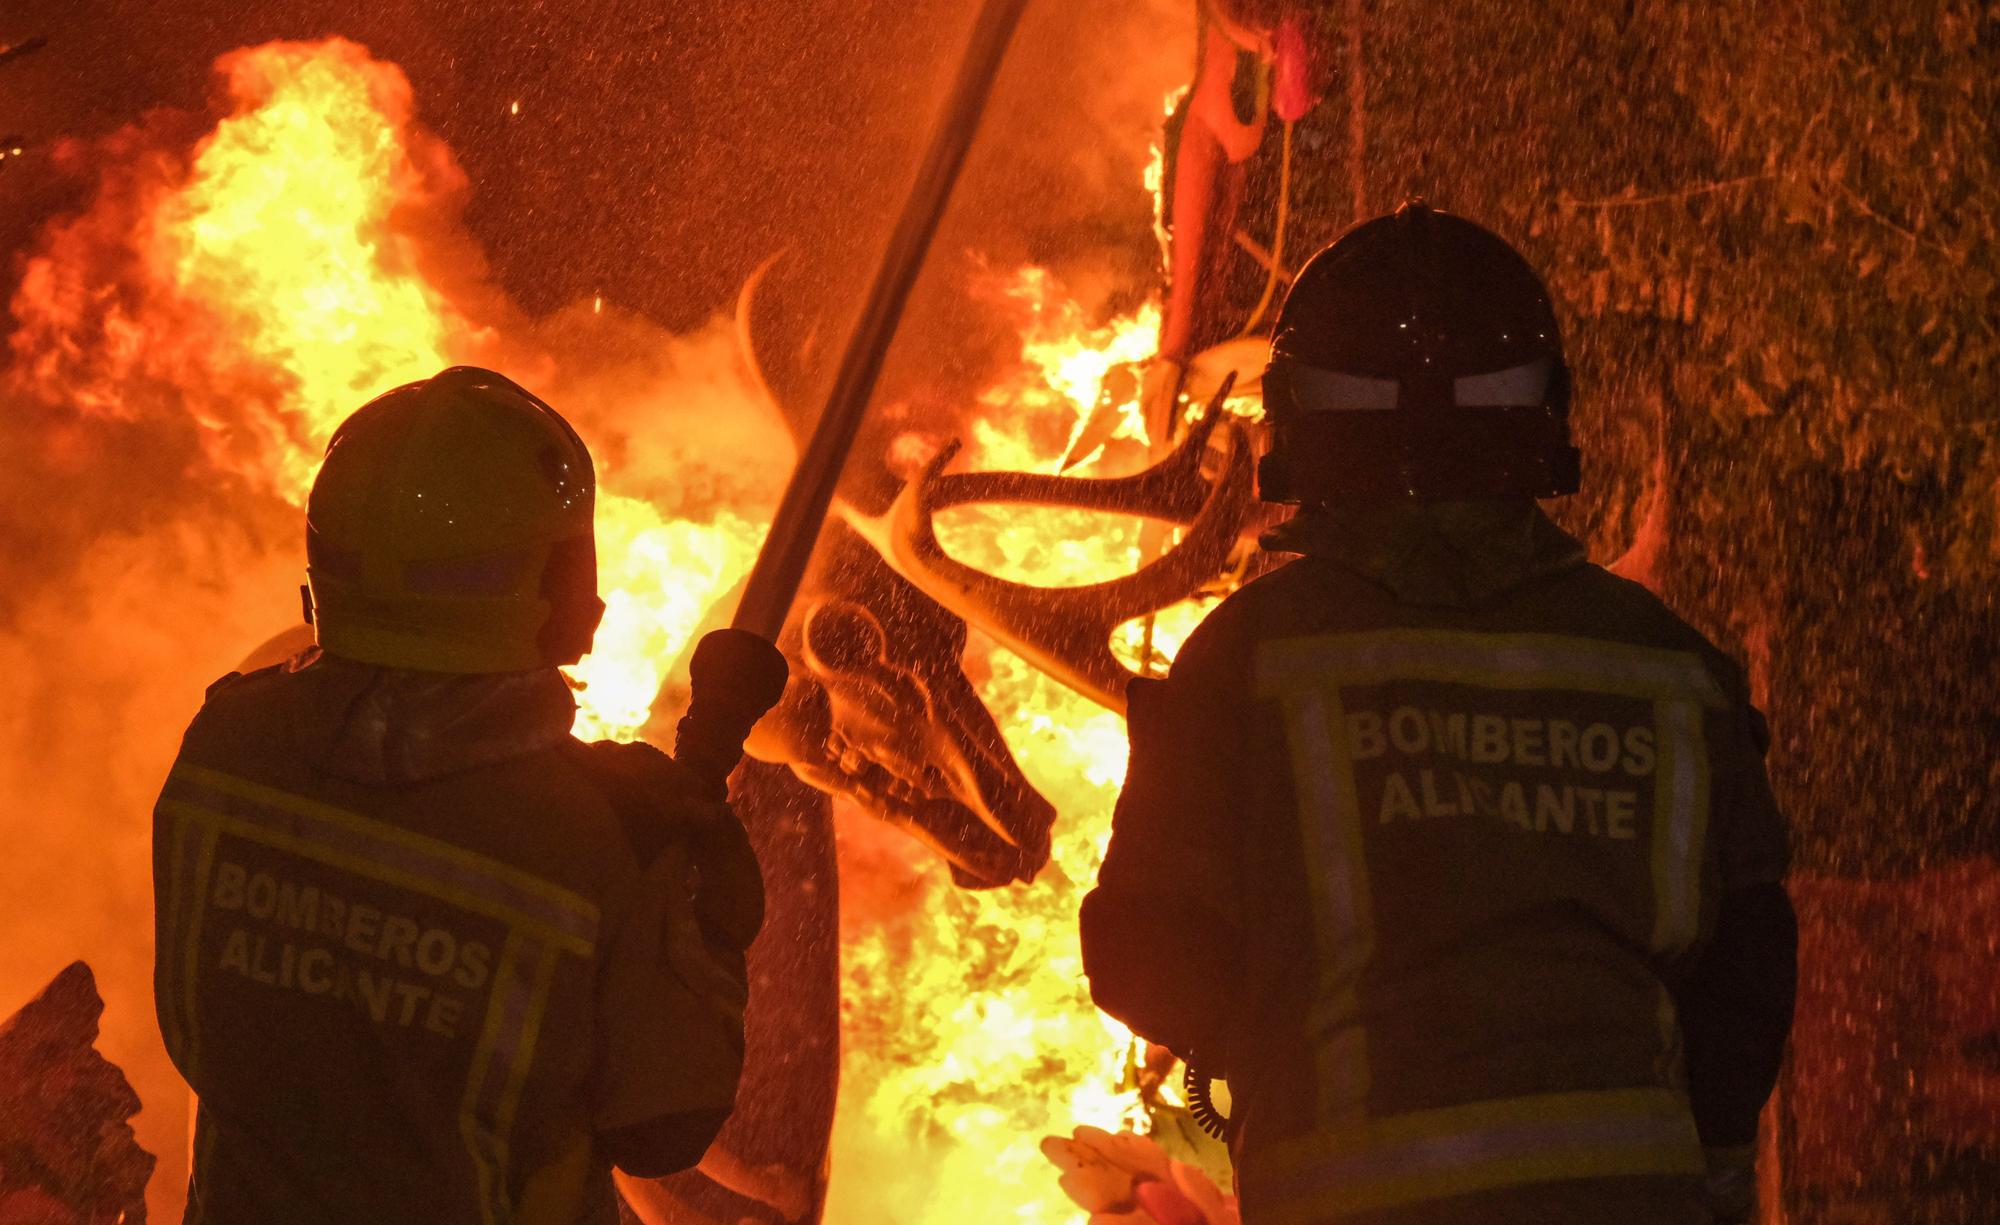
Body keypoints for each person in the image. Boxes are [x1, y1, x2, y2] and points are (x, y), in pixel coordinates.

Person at [1081, 203, 1796, 1224]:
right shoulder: (1665, 663)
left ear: (1299, 422)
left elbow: (1138, 953)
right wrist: (1715, 1171)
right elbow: (1747, 971)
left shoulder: (1250, 657)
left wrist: (1288, 1057)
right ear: (1540, 415)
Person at [151, 366, 788, 1225]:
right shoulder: (597, 839)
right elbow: (664, 1128)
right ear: (561, 593)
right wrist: (693, 919)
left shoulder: (224, 750)